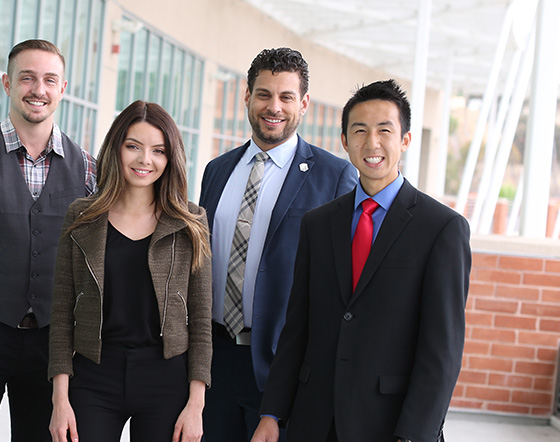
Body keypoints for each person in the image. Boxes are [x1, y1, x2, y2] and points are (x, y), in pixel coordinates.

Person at [252, 79, 471, 442]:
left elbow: (441, 352)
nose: (372, 143)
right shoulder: (318, 224)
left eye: (385, 130)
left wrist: (415, 435)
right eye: (360, 131)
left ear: (405, 140)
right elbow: (297, 328)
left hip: (389, 425)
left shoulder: (442, 229)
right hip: (313, 420)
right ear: (344, 141)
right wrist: (272, 413)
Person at [199, 47, 358, 440]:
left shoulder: (335, 178)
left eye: (286, 97)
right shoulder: (217, 171)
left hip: (282, 369)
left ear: (303, 104)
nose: (274, 106)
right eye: (264, 94)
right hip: (213, 362)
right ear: (247, 96)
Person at [0, 39, 96, 441]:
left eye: (49, 80)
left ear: (63, 89)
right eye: (27, 78)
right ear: (8, 84)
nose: (38, 89)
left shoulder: (89, 170)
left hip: (53, 341)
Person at [48, 101, 212, 442]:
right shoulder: (82, 217)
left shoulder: (190, 222)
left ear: (170, 158)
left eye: (158, 150)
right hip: (95, 373)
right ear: (116, 148)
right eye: (133, 146)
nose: (144, 160)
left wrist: (196, 404)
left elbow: (200, 319)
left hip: (165, 376)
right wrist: (60, 399)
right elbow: (62, 313)